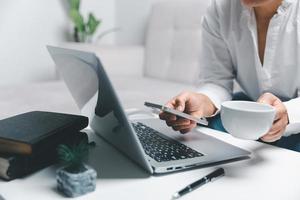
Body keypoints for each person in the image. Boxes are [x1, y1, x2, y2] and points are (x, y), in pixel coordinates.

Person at [159, 0, 300, 152]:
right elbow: (216, 80)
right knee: (196, 134)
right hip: (253, 110)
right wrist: (202, 101)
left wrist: (289, 114)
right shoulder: (220, 9)